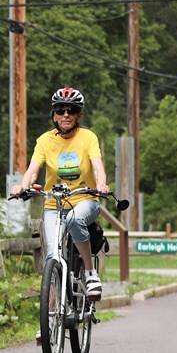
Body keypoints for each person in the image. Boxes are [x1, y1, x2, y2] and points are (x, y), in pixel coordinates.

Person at [10, 87, 110, 302]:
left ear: (79, 115)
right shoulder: (45, 141)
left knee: (75, 220)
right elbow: (33, 170)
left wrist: (101, 184)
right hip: (55, 205)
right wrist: (22, 186)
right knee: (51, 257)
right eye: (61, 110)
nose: (66, 115)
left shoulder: (88, 137)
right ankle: (50, 317)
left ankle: (90, 273)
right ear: (54, 114)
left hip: (85, 200)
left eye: (71, 110)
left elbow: (97, 166)